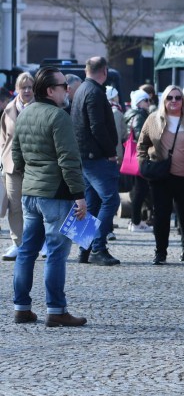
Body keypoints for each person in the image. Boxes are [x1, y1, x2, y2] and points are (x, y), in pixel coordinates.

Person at [11, 66, 89, 327]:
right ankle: (56, 310)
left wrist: (31, 176)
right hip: (55, 194)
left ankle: (21, 307)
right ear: (50, 90)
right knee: (56, 253)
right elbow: (69, 160)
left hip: (31, 192)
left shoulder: (25, 113)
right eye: (63, 86)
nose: (68, 90)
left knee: (26, 251)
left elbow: (17, 157)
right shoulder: (59, 116)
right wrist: (79, 195)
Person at [137, 84, 184, 265]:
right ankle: (160, 253)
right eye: (170, 98)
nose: (174, 101)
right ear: (164, 100)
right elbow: (142, 144)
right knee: (161, 215)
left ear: (183, 101)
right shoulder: (153, 120)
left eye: (178, 98)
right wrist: (143, 163)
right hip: (160, 176)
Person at [71, 56, 121, 266]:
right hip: (96, 158)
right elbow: (97, 127)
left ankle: (84, 249)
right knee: (111, 200)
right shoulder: (94, 92)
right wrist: (110, 151)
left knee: (91, 204)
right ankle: (98, 248)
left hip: (84, 157)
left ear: (86, 69)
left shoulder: (82, 89)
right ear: (105, 71)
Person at [1, 72, 35, 261]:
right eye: (24, 87)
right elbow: (3, 138)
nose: (27, 90)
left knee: (37, 206)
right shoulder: (8, 110)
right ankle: (17, 242)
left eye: (30, 87)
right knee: (15, 206)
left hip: (35, 165)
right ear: (17, 90)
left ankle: (41, 242)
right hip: (12, 166)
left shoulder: (41, 107)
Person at [124, 89, 152, 232]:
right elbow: (141, 134)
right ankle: (136, 221)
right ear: (139, 102)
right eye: (146, 100)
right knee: (141, 190)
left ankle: (135, 220)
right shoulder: (139, 115)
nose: (148, 103)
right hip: (140, 156)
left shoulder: (130, 114)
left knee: (138, 190)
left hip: (133, 156)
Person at [106, 86, 127, 164]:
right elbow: (117, 134)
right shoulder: (115, 112)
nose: (118, 97)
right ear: (113, 98)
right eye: (116, 95)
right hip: (115, 155)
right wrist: (118, 155)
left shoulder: (108, 110)